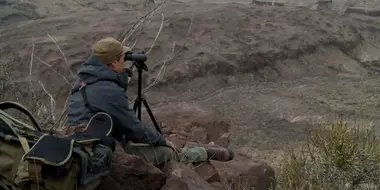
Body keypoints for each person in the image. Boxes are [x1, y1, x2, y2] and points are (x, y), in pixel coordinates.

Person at [65, 37, 234, 167]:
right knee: (166, 153)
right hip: (102, 149)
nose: (126, 61)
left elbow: (107, 107)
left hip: (82, 140)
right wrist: (161, 140)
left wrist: (119, 77)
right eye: (124, 58)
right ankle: (204, 153)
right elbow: (133, 128)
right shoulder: (109, 90)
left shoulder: (84, 77)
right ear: (114, 62)